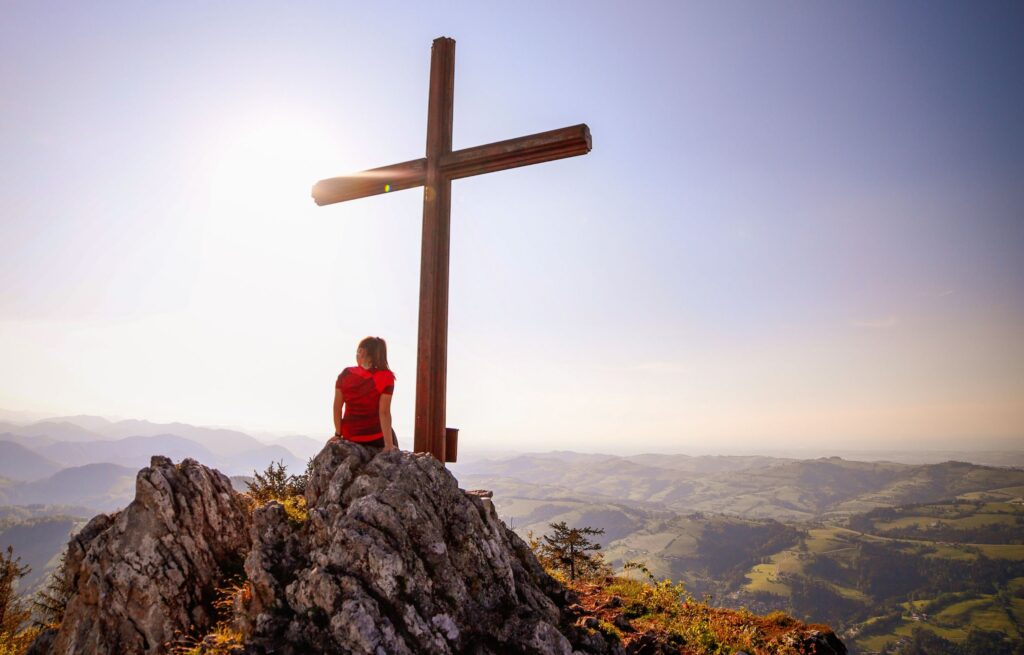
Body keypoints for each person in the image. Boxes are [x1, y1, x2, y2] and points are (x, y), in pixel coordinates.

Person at [332, 336, 398, 452]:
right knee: (390, 432)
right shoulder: (386, 376)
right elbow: (384, 412)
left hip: (350, 437)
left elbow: (337, 408)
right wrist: (388, 445)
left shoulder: (345, 374)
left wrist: (338, 434)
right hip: (376, 437)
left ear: (361, 352)